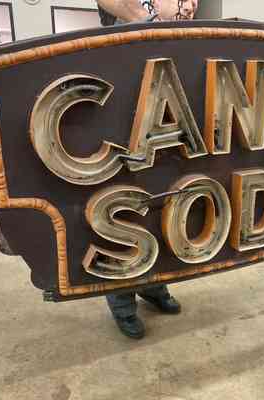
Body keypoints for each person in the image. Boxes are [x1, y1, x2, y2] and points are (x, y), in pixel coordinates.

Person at [95, 0, 199, 339]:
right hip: (124, 120)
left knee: (162, 204)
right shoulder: (120, 28)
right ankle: (122, 300)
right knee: (122, 208)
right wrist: (139, 16)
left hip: (167, 121)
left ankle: (154, 285)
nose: (190, 5)